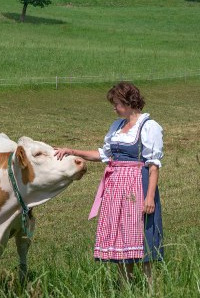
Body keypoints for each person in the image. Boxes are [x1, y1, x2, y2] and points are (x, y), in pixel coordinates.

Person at [55, 81, 164, 285]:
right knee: (121, 235)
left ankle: (151, 290)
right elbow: (103, 155)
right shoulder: (117, 126)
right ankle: (125, 286)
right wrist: (72, 151)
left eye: (116, 104)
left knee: (141, 236)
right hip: (116, 188)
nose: (114, 108)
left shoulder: (149, 127)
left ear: (128, 102)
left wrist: (149, 197)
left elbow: (153, 165)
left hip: (137, 186)